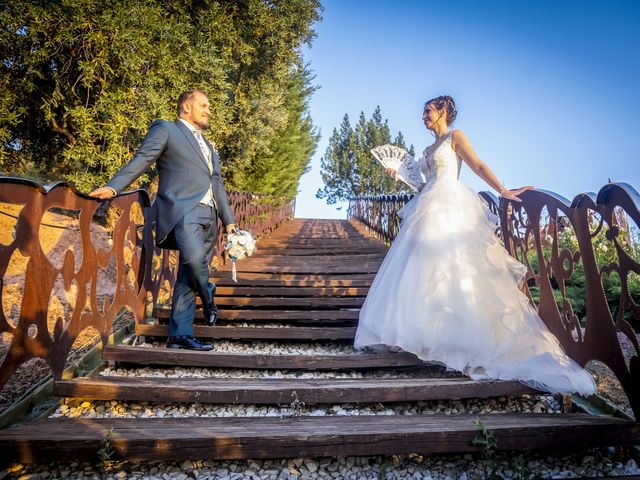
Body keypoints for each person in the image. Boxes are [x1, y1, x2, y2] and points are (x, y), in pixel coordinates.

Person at [354, 95, 596, 396]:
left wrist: (503, 190)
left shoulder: (456, 137)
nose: (424, 116)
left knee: (458, 268)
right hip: (427, 206)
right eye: (423, 112)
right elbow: (422, 185)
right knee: (422, 269)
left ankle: (464, 340)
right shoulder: (427, 149)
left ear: (443, 112)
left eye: (428, 111)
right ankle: (433, 336)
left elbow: (477, 164)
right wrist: (400, 175)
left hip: (451, 205)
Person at [90, 90, 236, 351]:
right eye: (203, 105)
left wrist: (229, 221)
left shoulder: (211, 148)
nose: (208, 110)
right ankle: (209, 296)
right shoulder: (166, 129)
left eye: (209, 106)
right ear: (186, 107)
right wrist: (114, 187)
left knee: (187, 272)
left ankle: (180, 335)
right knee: (193, 261)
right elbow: (143, 159)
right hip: (184, 210)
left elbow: (218, 184)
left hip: (210, 216)